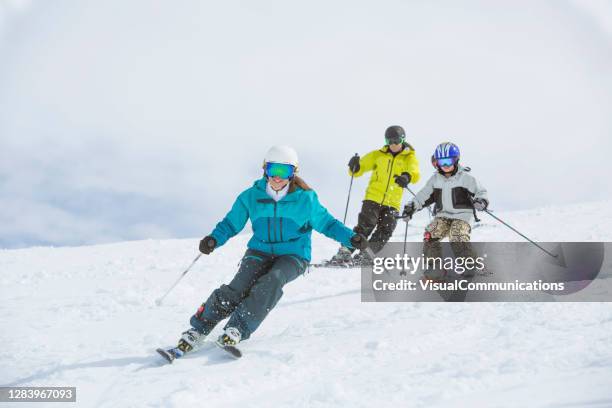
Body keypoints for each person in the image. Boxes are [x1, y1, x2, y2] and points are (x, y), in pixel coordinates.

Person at [172, 145, 368, 356]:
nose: (278, 177)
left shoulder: (306, 199)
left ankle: (237, 327)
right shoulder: (250, 197)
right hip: (259, 250)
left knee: (272, 280)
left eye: (284, 171)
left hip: (294, 254)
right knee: (237, 288)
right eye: (274, 170)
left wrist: (351, 238)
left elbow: (328, 224)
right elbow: (231, 223)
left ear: (293, 173)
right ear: (265, 169)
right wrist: (213, 239)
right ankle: (198, 329)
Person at [330, 125, 420, 265]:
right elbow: (359, 169)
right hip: (373, 198)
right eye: (389, 141)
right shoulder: (378, 155)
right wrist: (355, 166)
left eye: (396, 141)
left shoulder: (409, 158)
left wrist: (406, 177)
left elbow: (414, 173)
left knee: (386, 229)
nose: (393, 144)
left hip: (392, 202)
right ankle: (345, 251)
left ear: (402, 140)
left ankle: (367, 255)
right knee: (365, 226)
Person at [402, 142, 488, 278]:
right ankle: (435, 268)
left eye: (449, 161)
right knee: (430, 233)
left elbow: (481, 191)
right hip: (443, 216)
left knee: (457, 234)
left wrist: (481, 201)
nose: (446, 165)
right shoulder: (435, 179)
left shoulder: (465, 177)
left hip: (462, 216)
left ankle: (471, 265)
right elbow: (423, 195)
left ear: (456, 160)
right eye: (442, 162)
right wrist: (411, 207)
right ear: (436, 163)